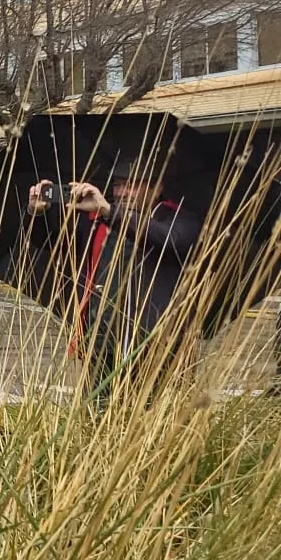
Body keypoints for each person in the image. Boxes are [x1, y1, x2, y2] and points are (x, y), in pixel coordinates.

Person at [23, 163, 201, 402]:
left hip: (158, 343)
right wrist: (37, 212)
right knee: (98, 411)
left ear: (157, 188)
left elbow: (168, 240)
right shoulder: (99, 222)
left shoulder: (180, 219)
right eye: (118, 185)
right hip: (104, 341)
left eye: (132, 185)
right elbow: (52, 244)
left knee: (154, 412)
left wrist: (109, 211)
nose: (122, 193)